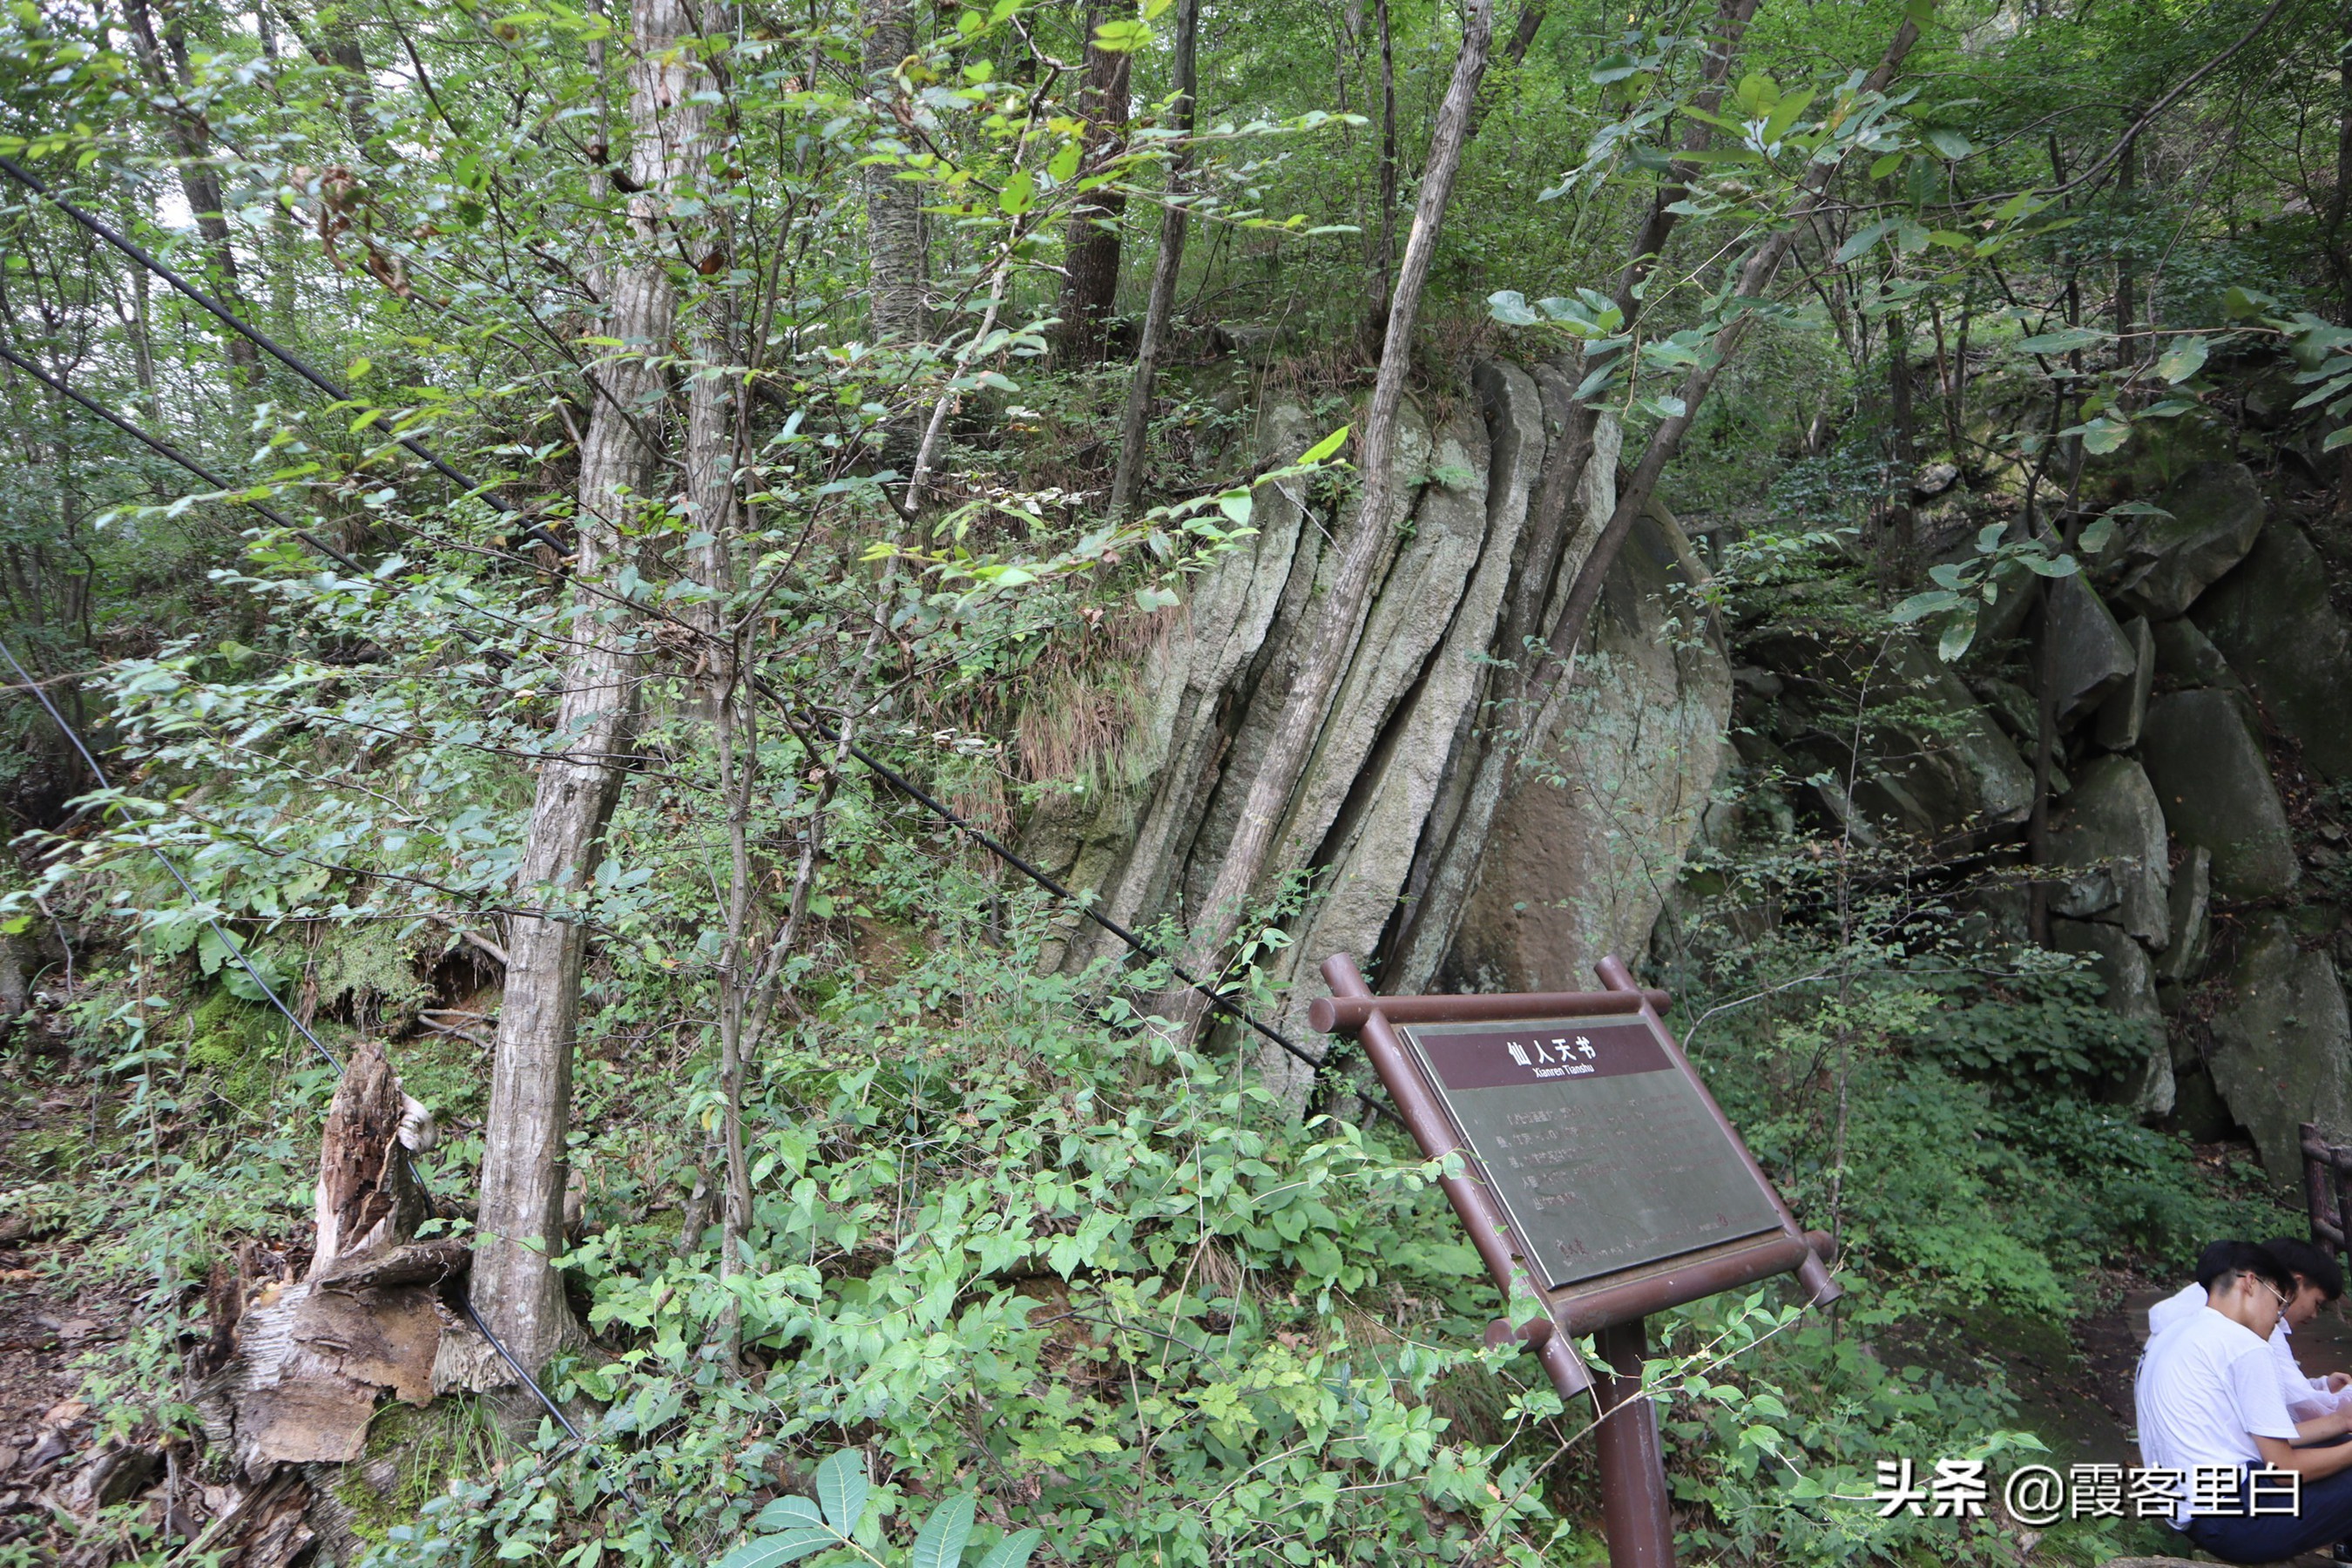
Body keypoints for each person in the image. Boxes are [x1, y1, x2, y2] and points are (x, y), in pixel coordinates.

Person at [2136, 1242, 2352, 1561]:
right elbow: (2284, 1469)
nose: (2279, 1318)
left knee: (2339, 1444)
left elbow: (2261, 1438)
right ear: (2250, 1283)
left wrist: (2342, 1428)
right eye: (2279, 1302)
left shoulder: (2179, 1330)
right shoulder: (2245, 1346)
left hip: (2193, 1509)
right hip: (2236, 1521)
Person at [2147, 1237, 2352, 1418]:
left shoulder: (2202, 1303)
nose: (2315, 1315)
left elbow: (2281, 1390)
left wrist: (2320, 1387)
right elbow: (2303, 1409)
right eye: (2317, 1302)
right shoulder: (2251, 1330)